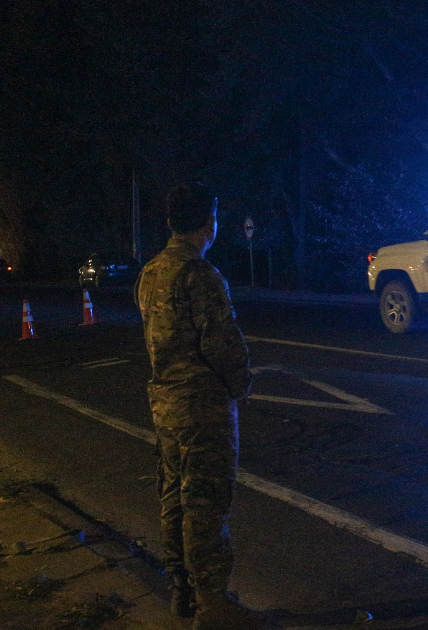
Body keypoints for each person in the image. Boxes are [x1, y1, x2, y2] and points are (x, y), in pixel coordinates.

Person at [135, 182, 262, 629]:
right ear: (207, 223)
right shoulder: (200, 275)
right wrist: (241, 385)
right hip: (201, 406)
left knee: (173, 497)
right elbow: (222, 343)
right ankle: (213, 605)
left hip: (164, 401)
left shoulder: (151, 271)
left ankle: (181, 591)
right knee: (206, 503)